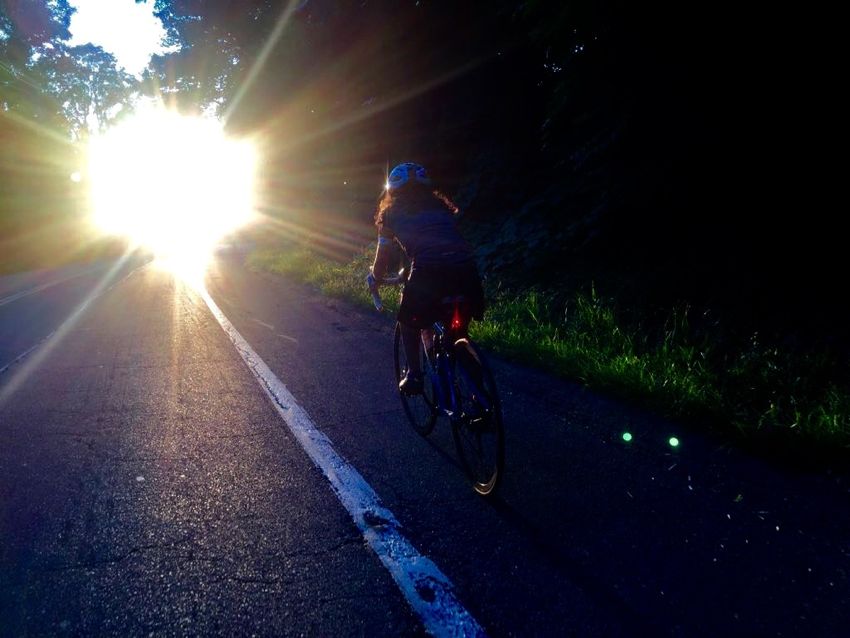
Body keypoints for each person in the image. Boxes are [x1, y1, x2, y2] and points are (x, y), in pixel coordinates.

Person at [369, 162, 485, 395]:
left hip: (429, 271)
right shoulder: (442, 208)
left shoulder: (391, 214)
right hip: (467, 270)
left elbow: (381, 264)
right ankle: (480, 398)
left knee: (408, 320)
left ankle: (414, 375)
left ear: (393, 190)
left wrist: (375, 278)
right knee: (459, 335)